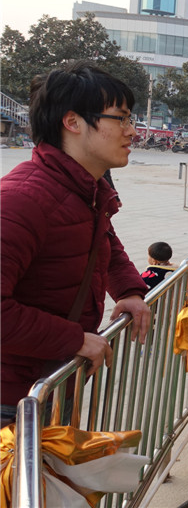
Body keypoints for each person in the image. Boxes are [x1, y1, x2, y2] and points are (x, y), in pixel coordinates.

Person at [0, 60, 152, 427]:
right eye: (122, 118)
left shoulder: (85, 190)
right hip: (12, 401)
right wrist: (74, 340)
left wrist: (130, 290)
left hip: (52, 383)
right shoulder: (22, 200)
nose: (133, 131)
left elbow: (104, 241)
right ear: (73, 122)